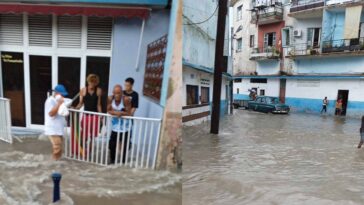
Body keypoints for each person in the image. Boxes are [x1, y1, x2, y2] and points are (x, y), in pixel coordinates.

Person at [73, 74, 102, 158]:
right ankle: (83, 151)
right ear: (88, 81)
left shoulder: (99, 90)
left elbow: (98, 105)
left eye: (94, 82)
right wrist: (75, 109)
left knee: (92, 137)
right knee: (84, 136)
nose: (92, 84)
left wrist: (101, 117)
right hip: (86, 116)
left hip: (95, 116)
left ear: (96, 83)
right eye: (90, 82)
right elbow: (81, 103)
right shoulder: (83, 90)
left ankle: (89, 153)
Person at [108, 85, 132, 164]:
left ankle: (123, 163)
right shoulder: (110, 99)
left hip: (125, 127)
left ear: (122, 93)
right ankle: (112, 161)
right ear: (113, 93)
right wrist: (115, 112)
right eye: (115, 93)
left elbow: (129, 113)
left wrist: (121, 113)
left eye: (119, 93)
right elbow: (108, 110)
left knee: (125, 146)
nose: (117, 95)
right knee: (111, 145)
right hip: (115, 127)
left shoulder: (126, 99)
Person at [44, 84, 69, 160]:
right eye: (61, 95)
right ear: (56, 93)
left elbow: (61, 112)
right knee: (57, 147)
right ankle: (54, 164)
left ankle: (57, 163)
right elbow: (51, 114)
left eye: (63, 95)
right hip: (53, 129)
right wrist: (59, 104)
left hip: (58, 128)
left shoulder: (59, 101)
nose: (62, 96)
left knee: (59, 147)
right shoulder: (50, 101)